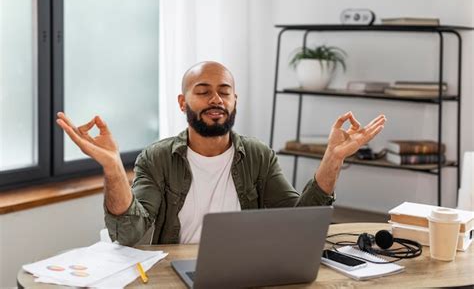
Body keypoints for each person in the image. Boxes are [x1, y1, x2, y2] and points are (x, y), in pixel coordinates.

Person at [56, 61, 386, 246]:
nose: (216, 99)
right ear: (183, 103)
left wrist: (332, 160)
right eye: (203, 92)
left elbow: (298, 222)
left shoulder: (258, 155)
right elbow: (127, 234)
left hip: (248, 271)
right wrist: (113, 167)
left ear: (234, 101)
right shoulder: (156, 159)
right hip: (177, 272)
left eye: (224, 92)